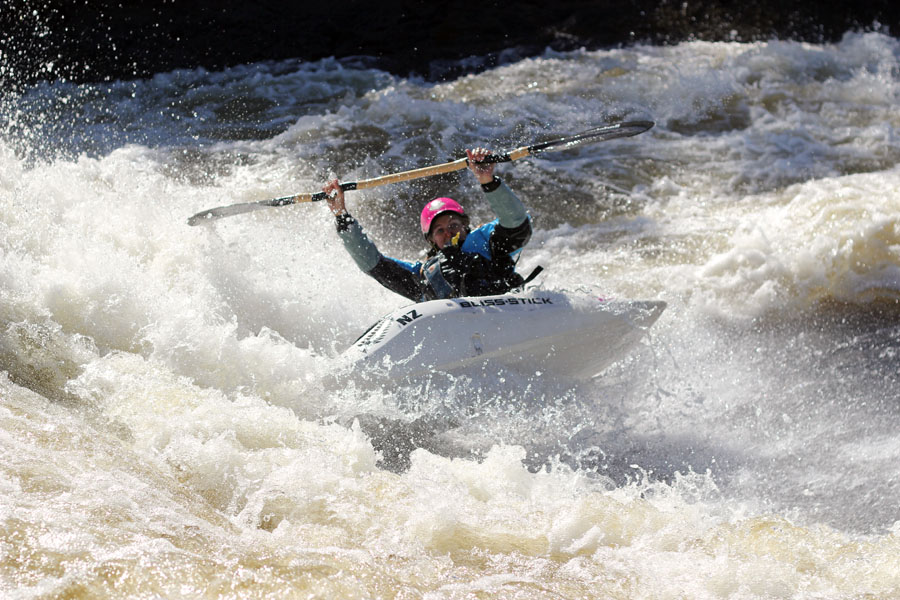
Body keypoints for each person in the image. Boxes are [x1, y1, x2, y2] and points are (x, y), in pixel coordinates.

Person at [322, 147, 535, 302]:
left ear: (464, 226)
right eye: (439, 230)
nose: (448, 232)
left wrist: (487, 180)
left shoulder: (487, 241)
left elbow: (517, 223)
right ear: (431, 239)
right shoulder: (423, 274)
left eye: (453, 225)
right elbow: (373, 264)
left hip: (507, 312)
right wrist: (341, 215)